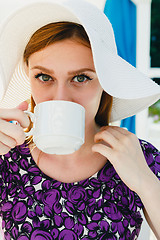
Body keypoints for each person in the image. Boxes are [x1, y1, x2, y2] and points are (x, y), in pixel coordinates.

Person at [0, 0, 160, 239]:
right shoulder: (7, 158)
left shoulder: (138, 157)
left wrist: (146, 183)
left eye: (81, 78)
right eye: (44, 76)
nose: (61, 97)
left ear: (106, 83)